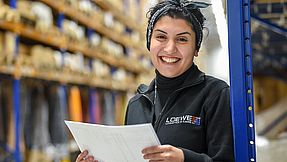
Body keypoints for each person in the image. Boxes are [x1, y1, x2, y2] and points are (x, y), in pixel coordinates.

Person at [76, 0, 234, 162]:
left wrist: (185, 159)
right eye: (161, 37)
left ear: (196, 48)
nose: (170, 48)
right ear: (149, 43)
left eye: (182, 39)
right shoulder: (137, 103)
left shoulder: (215, 94)